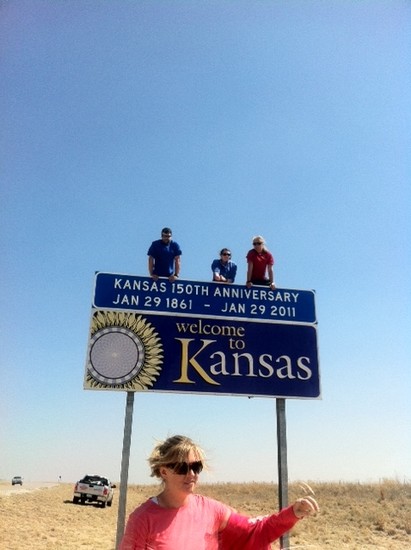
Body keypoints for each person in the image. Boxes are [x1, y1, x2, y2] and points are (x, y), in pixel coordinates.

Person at [119, 434, 319, 550]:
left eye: (196, 467)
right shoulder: (142, 519)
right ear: (163, 471)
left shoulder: (210, 509)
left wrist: (293, 512)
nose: (191, 474)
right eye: (181, 467)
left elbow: (253, 531)